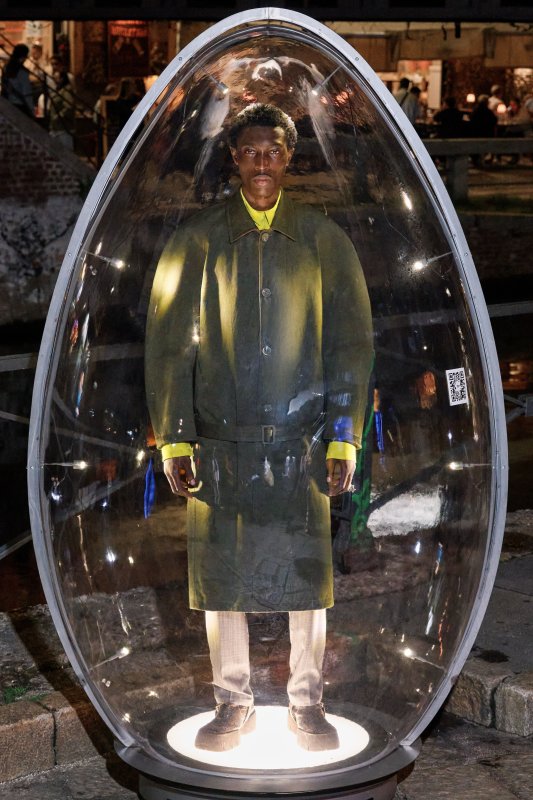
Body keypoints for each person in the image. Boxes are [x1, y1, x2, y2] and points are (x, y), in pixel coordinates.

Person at [145, 102, 373, 753]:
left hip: (302, 445)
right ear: (234, 158)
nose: (262, 162)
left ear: (289, 157)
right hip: (221, 445)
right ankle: (231, 701)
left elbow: (350, 344)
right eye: (250, 151)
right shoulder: (198, 240)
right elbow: (170, 344)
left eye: (273, 150)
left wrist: (343, 435)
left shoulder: (322, 240)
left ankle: (308, 702)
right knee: (222, 582)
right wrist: (176, 436)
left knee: (307, 581)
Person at [47, 60, 76, 149]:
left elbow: (69, 106)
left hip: (63, 128)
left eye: (56, 78)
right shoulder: (58, 90)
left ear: (61, 79)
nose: (54, 79)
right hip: (56, 127)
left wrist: (58, 116)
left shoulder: (66, 90)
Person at [1, 43, 34, 117]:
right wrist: (31, 110)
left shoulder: (6, 68)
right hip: (20, 106)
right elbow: (26, 92)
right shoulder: (22, 71)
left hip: (7, 104)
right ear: (23, 57)